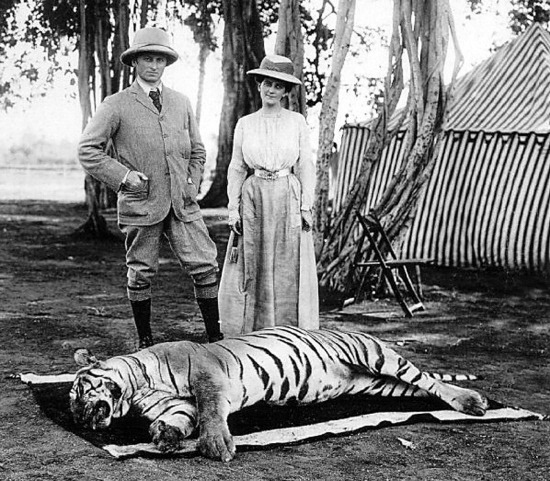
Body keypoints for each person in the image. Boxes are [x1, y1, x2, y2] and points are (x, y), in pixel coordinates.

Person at [78, 27, 223, 348]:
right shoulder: (116, 104)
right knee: (141, 270)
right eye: (147, 59)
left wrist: (192, 182)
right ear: (134, 62)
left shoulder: (181, 102)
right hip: (141, 202)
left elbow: (198, 151)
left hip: (182, 202)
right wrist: (123, 177)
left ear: (166, 63)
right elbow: (88, 150)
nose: (154, 66)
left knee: (205, 265)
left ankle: (215, 338)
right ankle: (145, 341)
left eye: (160, 59)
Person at [218, 54, 319, 335]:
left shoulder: (296, 121)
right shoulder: (245, 123)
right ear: (259, 85)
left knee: (287, 262)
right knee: (254, 260)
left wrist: (306, 205)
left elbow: (305, 164)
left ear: (286, 91)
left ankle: (288, 330)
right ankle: (253, 329)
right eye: (267, 83)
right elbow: (237, 166)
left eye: (278, 85)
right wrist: (233, 208)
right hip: (254, 196)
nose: (271, 90)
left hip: (287, 194)